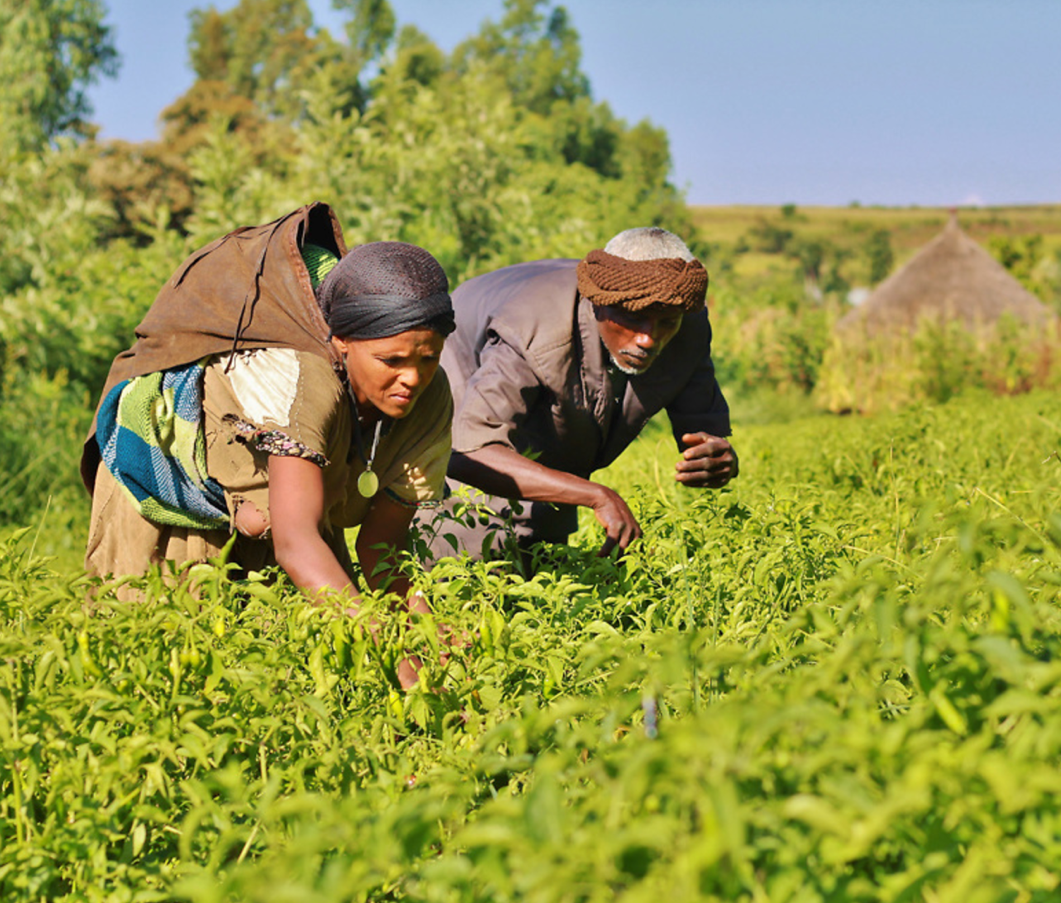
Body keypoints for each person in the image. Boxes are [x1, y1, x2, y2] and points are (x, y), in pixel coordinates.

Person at [82, 204, 455, 652]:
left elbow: (382, 547)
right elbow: (296, 544)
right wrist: (392, 656)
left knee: (312, 665)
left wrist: (431, 646)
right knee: (163, 664)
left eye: (428, 358)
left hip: (285, 521)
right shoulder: (300, 379)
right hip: (178, 511)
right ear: (341, 343)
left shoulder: (429, 398)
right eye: (391, 361)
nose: (412, 377)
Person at [418, 226, 739, 564]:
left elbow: (704, 429)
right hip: (462, 352)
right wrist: (597, 496)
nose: (648, 339)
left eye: (665, 323)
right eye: (634, 317)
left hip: (545, 349)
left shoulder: (685, 320)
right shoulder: (532, 328)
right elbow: (471, 451)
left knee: (542, 556)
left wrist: (716, 459)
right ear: (600, 302)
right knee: (468, 534)